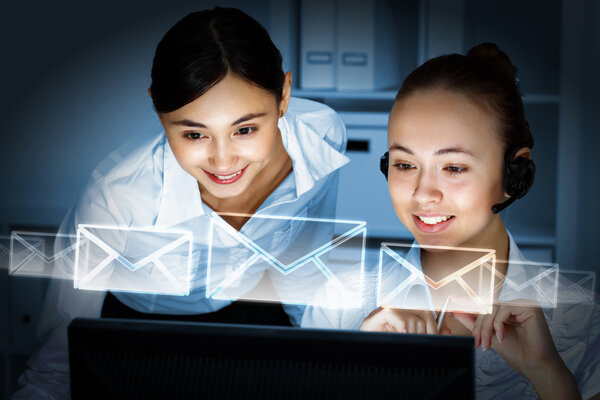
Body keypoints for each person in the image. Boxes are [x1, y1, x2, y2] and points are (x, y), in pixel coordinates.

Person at [13, 7, 349, 399]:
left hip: (252, 309)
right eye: (194, 134)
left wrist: (331, 360)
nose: (223, 162)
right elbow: (57, 358)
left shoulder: (320, 138)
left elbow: (304, 259)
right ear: (158, 108)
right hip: (141, 330)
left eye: (245, 129)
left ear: (285, 96)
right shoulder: (118, 197)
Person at [302, 43, 600, 399]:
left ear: (513, 175)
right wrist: (363, 366)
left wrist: (548, 373)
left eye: (454, 168)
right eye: (405, 165)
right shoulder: (338, 305)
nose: (423, 193)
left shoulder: (585, 321)